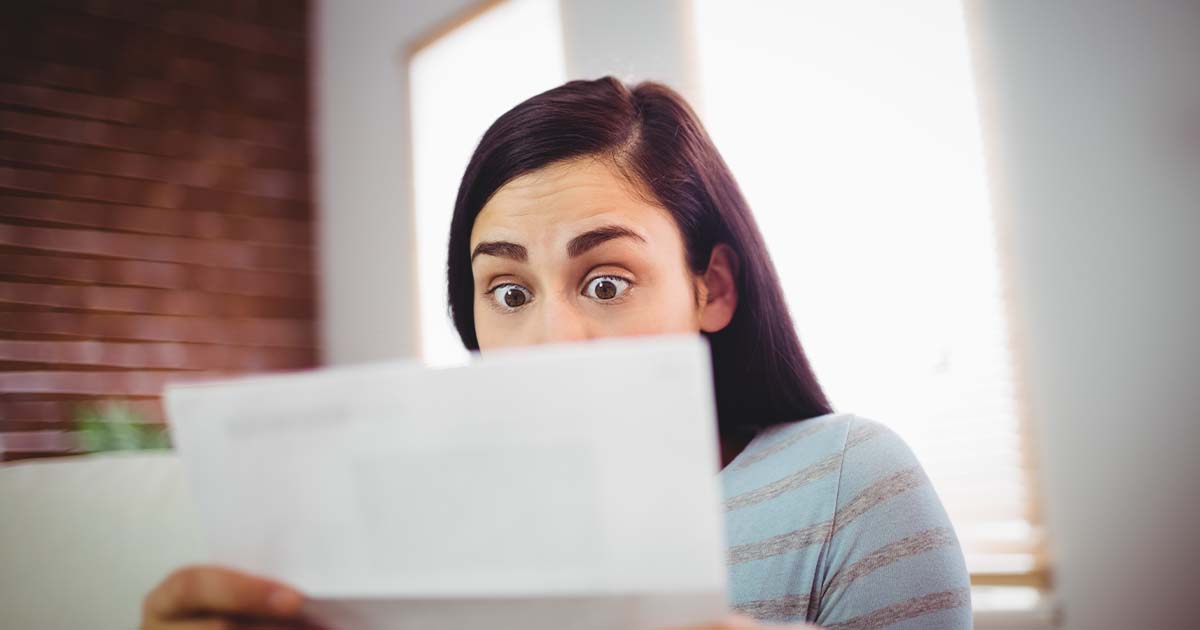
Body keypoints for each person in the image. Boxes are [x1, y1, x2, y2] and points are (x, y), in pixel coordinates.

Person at [142, 77, 971, 630]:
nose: (551, 342)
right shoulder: (424, 536)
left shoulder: (847, 484)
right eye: (508, 292)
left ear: (712, 288)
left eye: (606, 283)